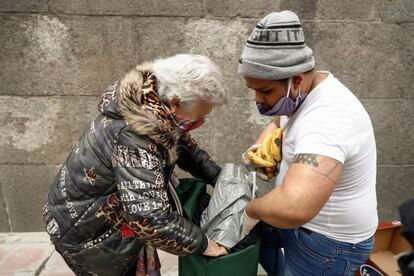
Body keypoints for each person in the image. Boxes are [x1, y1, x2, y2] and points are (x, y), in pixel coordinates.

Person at [42, 54, 228, 276]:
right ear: (176, 103)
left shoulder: (153, 103)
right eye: (201, 115)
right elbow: (148, 217)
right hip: (89, 231)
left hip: (107, 213)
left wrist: (219, 178)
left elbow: (183, 146)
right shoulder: (135, 138)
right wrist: (202, 243)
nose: (201, 122)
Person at [239, 11, 378, 275]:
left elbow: (294, 205)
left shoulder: (329, 118)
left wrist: (251, 211)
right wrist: (263, 145)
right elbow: (281, 118)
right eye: (253, 89)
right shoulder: (304, 92)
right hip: (301, 228)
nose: (258, 99)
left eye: (265, 91)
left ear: (297, 80)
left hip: (327, 245)